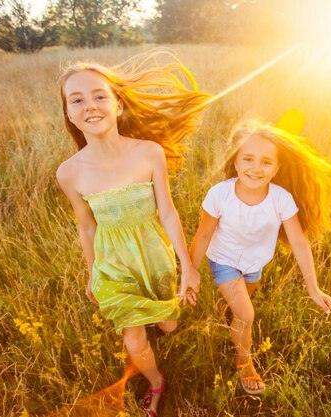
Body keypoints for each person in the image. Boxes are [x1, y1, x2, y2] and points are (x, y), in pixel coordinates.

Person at [56, 49, 209, 417]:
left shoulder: (148, 153)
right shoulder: (70, 173)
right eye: (76, 100)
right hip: (113, 264)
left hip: (153, 253)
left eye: (99, 95)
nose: (89, 105)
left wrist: (187, 267)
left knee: (169, 324)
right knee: (134, 335)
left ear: (118, 104)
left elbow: (168, 213)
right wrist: (93, 272)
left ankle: (160, 317)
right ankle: (156, 382)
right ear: (69, 114)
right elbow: (86, 224)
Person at [189, 120, 331, 395]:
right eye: (248, 159)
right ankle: (244, 362)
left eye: (266, 162)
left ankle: (231, 316)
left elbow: (299, 242)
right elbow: (203, 236)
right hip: (224, 260)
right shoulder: (220, 194)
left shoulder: (281, 199)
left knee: (239, 309)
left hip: (255, 264)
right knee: (246, 313)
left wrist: (312, 287)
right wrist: (190, 274)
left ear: (277, 168)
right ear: (235, 162)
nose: (256, 168)